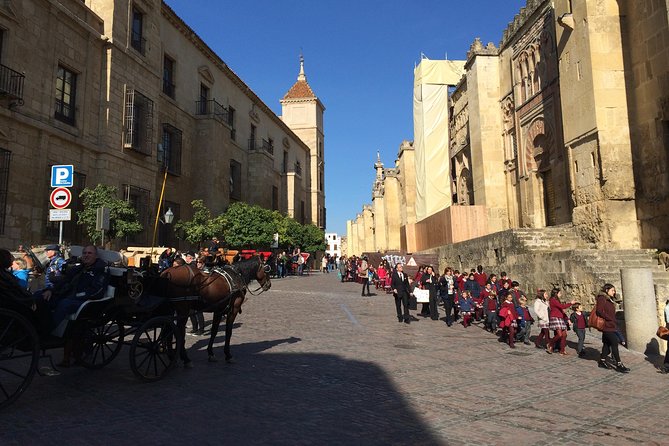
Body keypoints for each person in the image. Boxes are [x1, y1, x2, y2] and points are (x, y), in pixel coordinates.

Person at [595, 284, 630, 372]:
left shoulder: (609, 299)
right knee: (614, 342)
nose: (614, 292)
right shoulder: (602, 298)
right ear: (607, 290)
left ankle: (602, 361)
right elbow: (599, 311)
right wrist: (608, 318)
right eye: (612, 290)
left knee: (607, 344)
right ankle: (619, 364)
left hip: (611, 325)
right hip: (607, 325)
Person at [546, 288, 576, 355]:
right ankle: (550, 344)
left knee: (564, 335)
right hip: (555, 318)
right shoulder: (552, 300)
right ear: (556, 293)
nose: (560, 294)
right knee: (559, 335)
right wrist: (570, 303)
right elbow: (562, 306)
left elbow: (561, 310)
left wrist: (567, 319)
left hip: (560, 318)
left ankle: (562, 350)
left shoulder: (557, 300)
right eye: (559, 293)